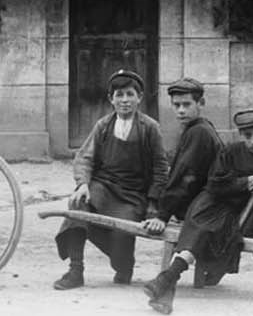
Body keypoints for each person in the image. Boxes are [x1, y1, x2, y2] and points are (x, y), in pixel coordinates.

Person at [143, 107, 253, 315]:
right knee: (202, 223)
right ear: (240, 135)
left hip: (238, 214)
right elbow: (215, 184)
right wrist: (250, 181)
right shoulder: (231, 152)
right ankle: (168, 281)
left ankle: (168, 278)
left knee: (209, 229)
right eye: (247, 135)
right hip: (211, 202)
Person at [53, 69, 168, 289]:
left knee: (121, 241)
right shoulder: (103, 125)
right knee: (78, 205)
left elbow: (161, 169)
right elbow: (84, 158)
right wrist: (83, 184)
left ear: (139, 98)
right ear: (111, 99)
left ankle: (124, 266)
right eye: (119, 95)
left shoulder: (150, 128)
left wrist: (153, 204)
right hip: (103, 187)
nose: (125, 100)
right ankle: (75, 270)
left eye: (130, 94)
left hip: (133, 195)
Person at [146, 77, 221, 284]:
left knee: (152, 211)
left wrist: (162, 215)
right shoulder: (198, 128)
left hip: (204, 205)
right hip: (202, 199)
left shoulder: (198, 132)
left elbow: (183, 179)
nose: (180, 110)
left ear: (201, 104)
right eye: (176, 105)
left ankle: (165, 279)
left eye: (187, 105)